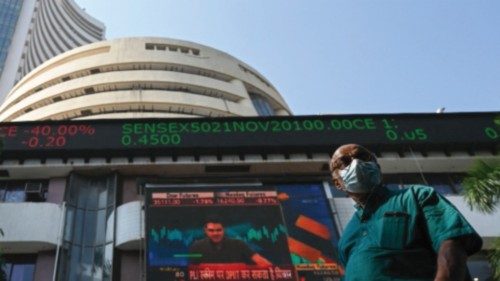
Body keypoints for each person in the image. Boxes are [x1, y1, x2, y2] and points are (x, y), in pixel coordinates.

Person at [329, 144, 482, 281]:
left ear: (378, 169)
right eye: (344, 162)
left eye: (362, 157)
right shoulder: (346, 238)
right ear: (337, 184)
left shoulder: (416, 197)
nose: (356, 163)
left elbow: (452, 242)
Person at [189, 217, 272, 266]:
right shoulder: (197, 246)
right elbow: (191, 270)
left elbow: (259, 260)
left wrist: (277, 272)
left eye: (219, 230)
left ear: (224, 230)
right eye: (211, 230)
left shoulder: (239, 244)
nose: (215, 233)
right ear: (206, 231)